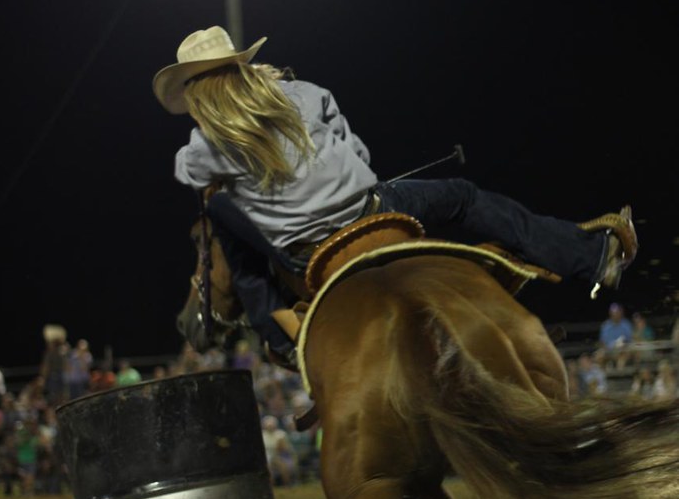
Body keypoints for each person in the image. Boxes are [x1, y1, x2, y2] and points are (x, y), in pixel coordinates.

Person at [153, 26, 638, 367]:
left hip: (304, 254)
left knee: (223, 219)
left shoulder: (203, 149)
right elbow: (356, 149)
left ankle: (281, 337)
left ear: (199, 95)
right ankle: (590, 257)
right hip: (368, 211)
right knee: (464, 198)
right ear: (241, 66)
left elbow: (191, 178)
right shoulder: (300, 92)